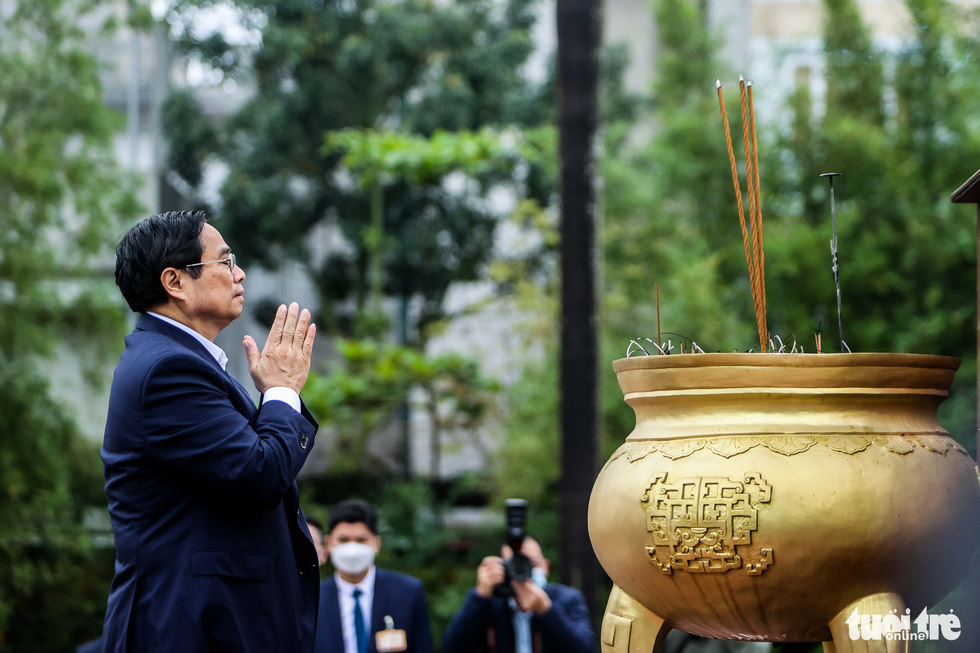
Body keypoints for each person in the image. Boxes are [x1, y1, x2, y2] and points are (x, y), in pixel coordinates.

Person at [101, 210, 321, 652]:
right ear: (175, 282)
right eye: (225, 261)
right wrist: (280, 392)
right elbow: (258, 472)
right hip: (192, 628)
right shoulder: (168, 368)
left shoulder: (175, 360)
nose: (239, 273)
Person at [314, 500, 433, 653]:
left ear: (376, 543)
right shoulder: (314, 598)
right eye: (343, 540)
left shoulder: (408, 593)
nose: (352, 549)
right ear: (329, 544)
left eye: (361, 540)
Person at [442, 536, 596, 653]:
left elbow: (586, 649)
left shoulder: (568, 599)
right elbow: (451, 648)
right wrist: (479, 596)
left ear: (545, 566)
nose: (524, 574)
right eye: (516, 566)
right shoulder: (490, 605)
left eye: (531, 564)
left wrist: (547, 611)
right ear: (501, 568)